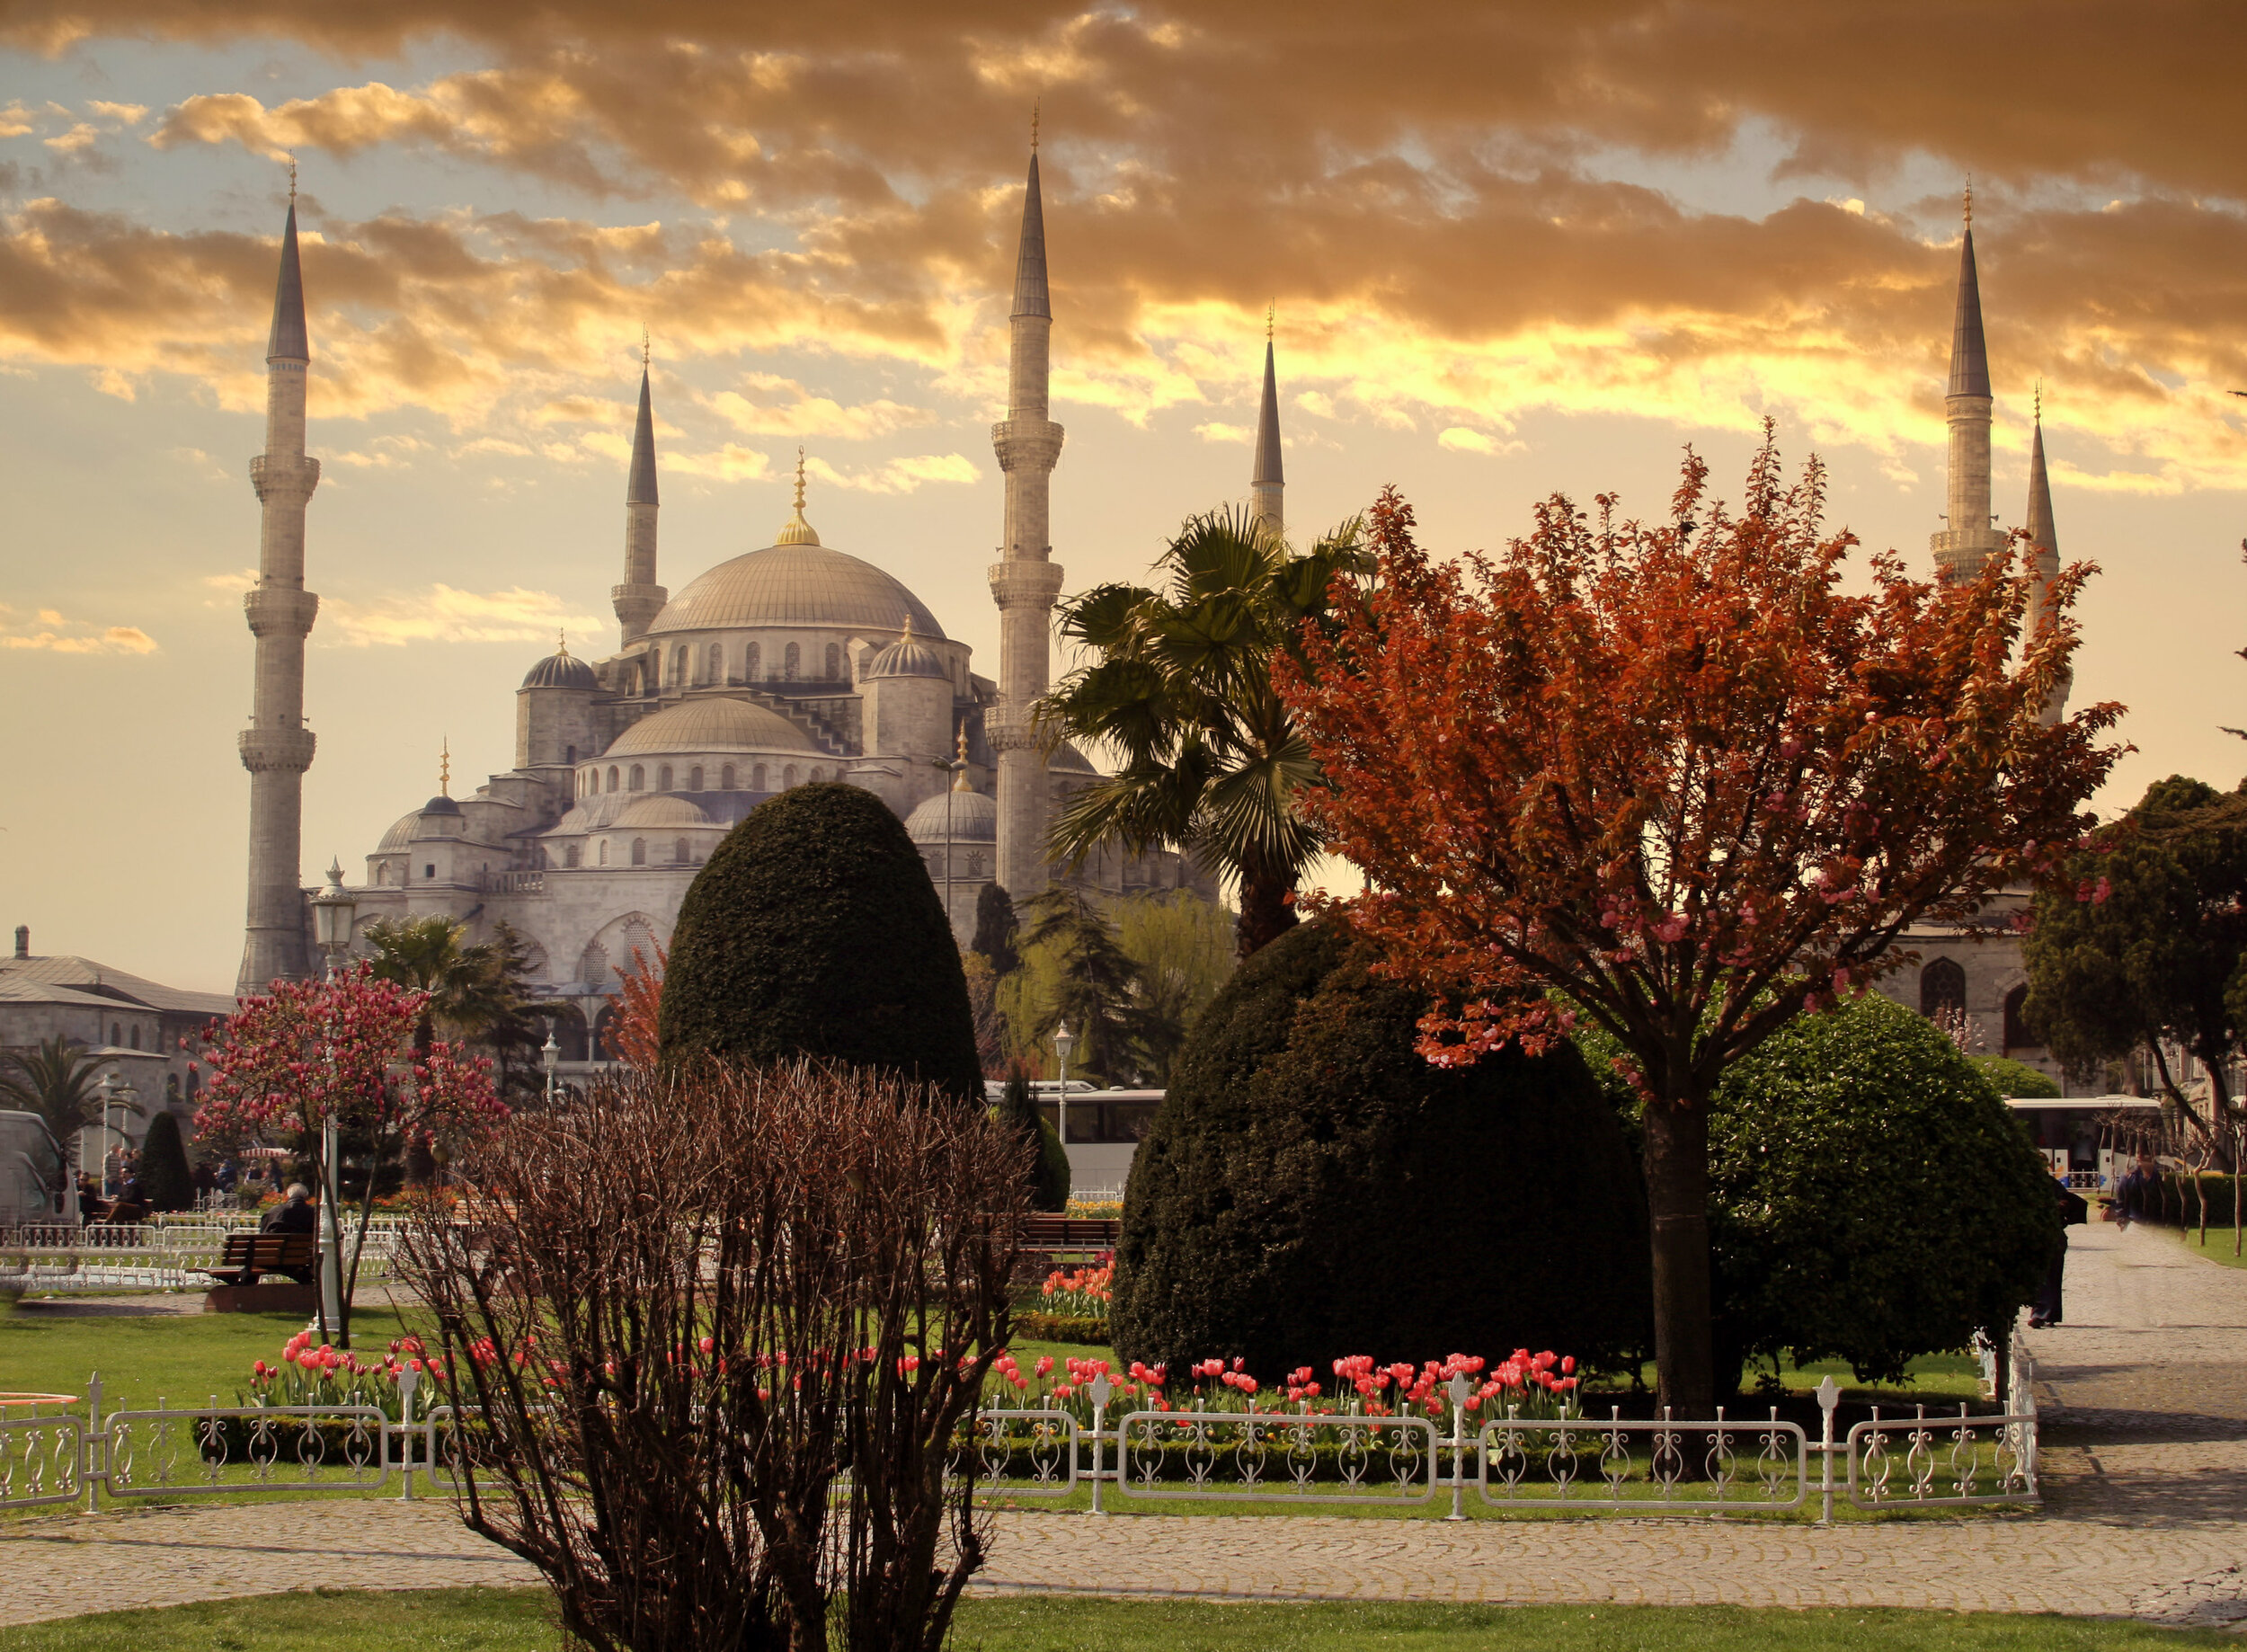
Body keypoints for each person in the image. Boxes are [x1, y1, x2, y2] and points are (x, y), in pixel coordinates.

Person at [2029, 1168, 2089, 1328]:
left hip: (2053, 1238)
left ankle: (2041, 1314)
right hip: (2040, 1236)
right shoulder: (2028, 1184)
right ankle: (2049, 1313)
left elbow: (2068, 1203)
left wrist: (2058, 1208)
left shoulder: (2051, 1185)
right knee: (2047, 1277)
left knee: (2050, 1276)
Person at [249, 1183, 319, 1284]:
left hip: (269, 1260)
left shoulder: (273, 1212)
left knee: (249, 1269)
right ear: (306, 1196)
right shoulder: (314, 1214)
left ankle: (244, 1293)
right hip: (298, 1260)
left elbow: (262, 1235)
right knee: (305, 1276)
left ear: (288, 1195)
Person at [2113, 1151, 2163, 1228]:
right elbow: (2121, 1197)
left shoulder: (2154, 1174)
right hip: (2136, 1219)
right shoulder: (2129, 1175)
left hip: (2144, 1219)